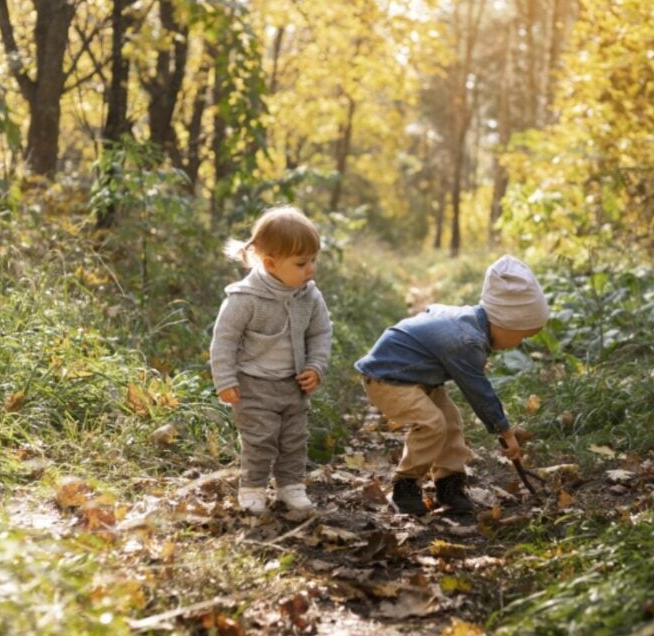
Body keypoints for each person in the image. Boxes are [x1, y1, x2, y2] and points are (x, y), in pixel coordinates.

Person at [355, 255, 549, 516]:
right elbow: (479, 393)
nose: (520, 343)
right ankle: (405, 485)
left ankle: (449, 483)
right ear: (505, 321)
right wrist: (505, 431)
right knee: (432, 423)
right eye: (522, 335)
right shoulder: (467, 341)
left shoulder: (468, 322)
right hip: (388, 377)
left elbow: (434, 311)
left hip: (419, 379)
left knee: (451, 420)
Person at [210, 206, 332, 515]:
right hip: (253, 384)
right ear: (270, 264)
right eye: (301, 263)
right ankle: (252, 488)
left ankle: (291, 485)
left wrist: (316, 366)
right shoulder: (244, 299)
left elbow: (320, 333)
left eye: (313, 260)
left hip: (293, 384)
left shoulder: (309, 295)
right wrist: (225, 380)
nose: (310, 270)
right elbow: (224, 340)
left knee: (294, 438)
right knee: (260, 440)